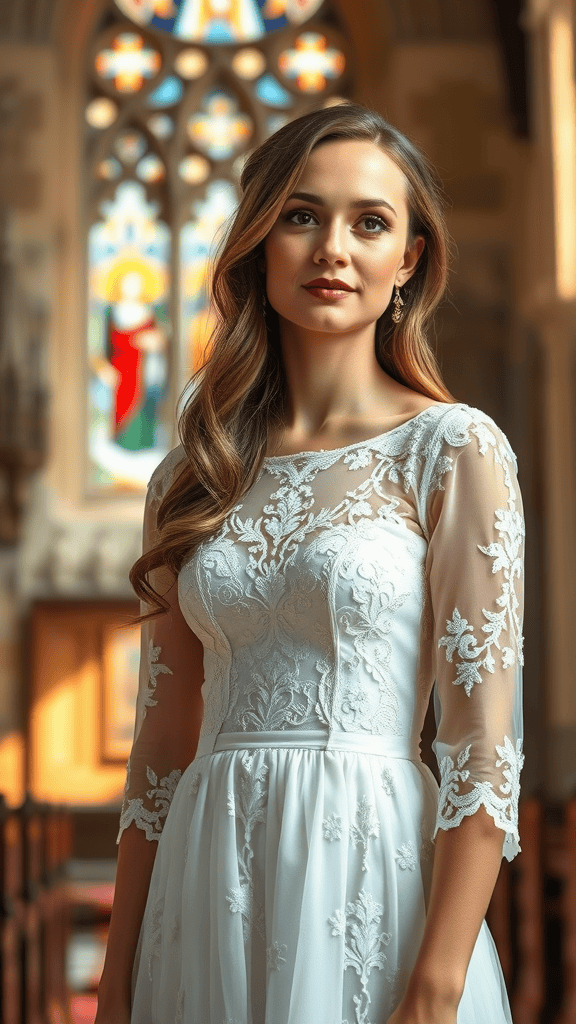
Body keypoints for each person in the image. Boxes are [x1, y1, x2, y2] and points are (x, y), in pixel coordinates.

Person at [95, 103, 525, 1024]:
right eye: (301, 215)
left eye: (370, 221)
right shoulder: (192, 473)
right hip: (202, 890)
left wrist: (437, 987)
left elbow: (484, 753)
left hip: (372, 882)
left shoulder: (451, 451)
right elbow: (161, 756)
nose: (334, 246)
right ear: (258, 239)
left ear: (408, 258)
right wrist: (117, 974)